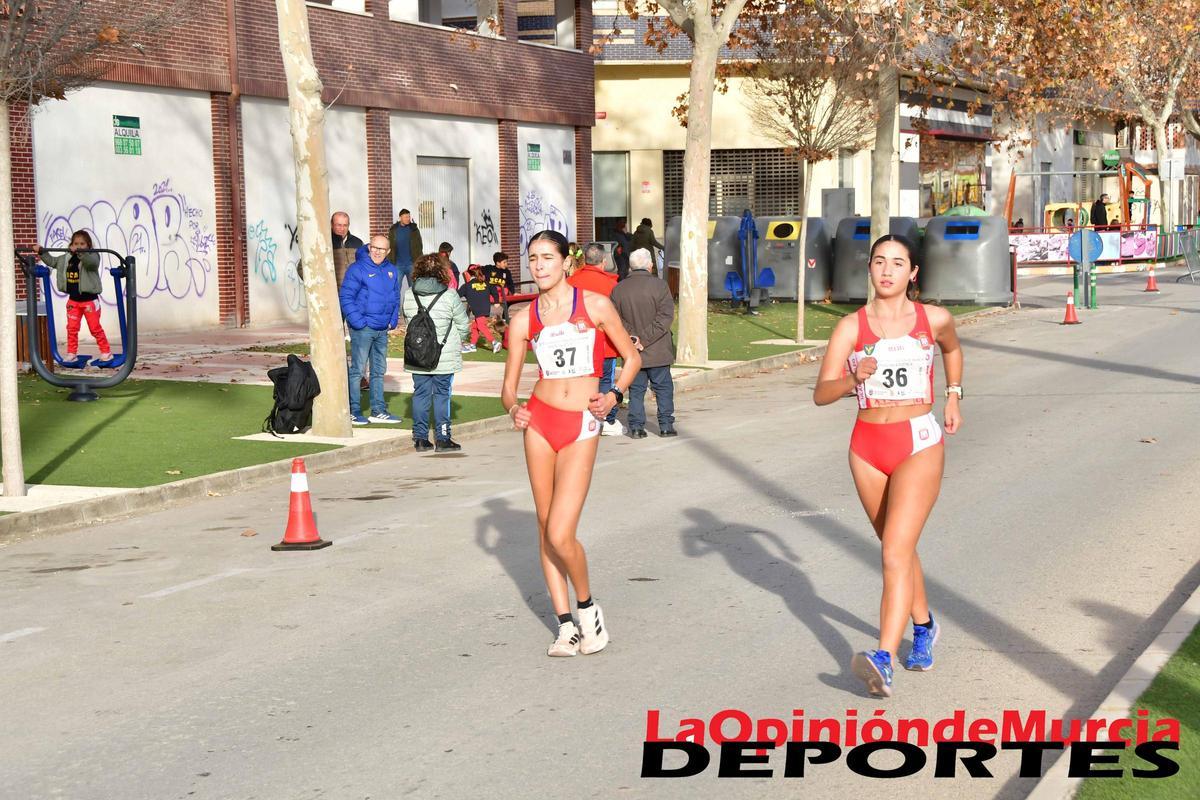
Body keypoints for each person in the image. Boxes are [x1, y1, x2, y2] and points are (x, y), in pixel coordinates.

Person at [812, 235, 963, 698]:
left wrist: (954, 395)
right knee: (898, 546)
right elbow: (821, 393)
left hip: (918, 441)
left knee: (894, 552)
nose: (887, 270)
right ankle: (924, 625)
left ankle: (883, 656)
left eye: (898, 263)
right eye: (880, 261)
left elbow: (952, 351)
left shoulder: (933, 319)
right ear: (871, 269)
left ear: (912, 273)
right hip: (867, 447)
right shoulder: (851, 328)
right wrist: (850, 379)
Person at [500, 230, 641, 658]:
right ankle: (565, 627)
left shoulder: (594, 305)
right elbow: (508, 389)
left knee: (562, 531)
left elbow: (632, 357)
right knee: (545, 528)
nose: (539, 266)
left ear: (566, 262)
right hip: (540, 422)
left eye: (547, 257)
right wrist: (514, 410)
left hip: (581, 420)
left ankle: (587, 608)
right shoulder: (523, 319)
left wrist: (614, 394)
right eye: (533, 258)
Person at [404, 253, 470, 452]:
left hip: (417, 353)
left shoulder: (409, 294)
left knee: (421, 394)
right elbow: (463, 325)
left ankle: (421, 439)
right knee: (442, 395)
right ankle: (442, 438)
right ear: (442, 271)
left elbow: (409, 321)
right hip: (444, 353)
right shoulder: (450, 295)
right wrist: (458, 339)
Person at [611, 248, 676, 438]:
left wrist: (633, 337)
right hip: (657, 350)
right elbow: (665, 317)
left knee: (636, 391)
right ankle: (665, 425)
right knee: (663, 389)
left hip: (632, 351)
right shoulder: (660, 286)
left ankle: (637, 427)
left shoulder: (618, 289)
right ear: (649, 265)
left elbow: (615, 319)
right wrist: (644, 339)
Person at [339, 235, 403, 426]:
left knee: (378, 371)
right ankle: (353, 410)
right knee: (358, 371)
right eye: (373, 247)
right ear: (369, 248)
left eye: (381, 249)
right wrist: (358, 322)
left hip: (382, 328)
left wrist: (392, 320)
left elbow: (395, 296)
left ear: (388, 252)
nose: (376, 251)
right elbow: (346, 297)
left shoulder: (391, 270)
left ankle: (378, 410)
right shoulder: (357, 269)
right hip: (363, 329)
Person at [567, 243, 623, 436]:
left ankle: (581, 418)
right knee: (605, 380)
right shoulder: (612, 285)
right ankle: (606, 419)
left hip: (576, 342)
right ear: (604, 261)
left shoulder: (571, 282)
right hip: (604, 342)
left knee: (579, 381)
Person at [38, 231, 113, 365]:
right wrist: (42, 252)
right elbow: (53, 261)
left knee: (95, 328)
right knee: (71, 329)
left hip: (90, 300)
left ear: (88, 245)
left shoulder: (92, 256)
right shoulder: (66, 258)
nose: (78, 246)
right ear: (71, 245)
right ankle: (72, 353)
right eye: (76, 243)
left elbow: (92, 264)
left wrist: (81, 253)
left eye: (82, 244)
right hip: (73, 300)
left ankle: (106, 352)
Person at [459, 265, 502, 353]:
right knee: (474, 327)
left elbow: (457, 295)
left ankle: (494, 342)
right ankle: (472, 345)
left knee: (481, 326)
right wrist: (496, 301)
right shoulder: (486, 283)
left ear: (469, 274)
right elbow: (494, 290)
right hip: (485, 308)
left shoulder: (467, 286)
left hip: (477, 309)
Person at [388, 208, 423, 318]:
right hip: (397, 264)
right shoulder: (393, 230)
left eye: (409, 216)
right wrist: (390, 261)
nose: (408, 219)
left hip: (411, 264)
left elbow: (419, 245)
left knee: (414, 288)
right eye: (406, 217)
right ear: (400, 217)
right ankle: (396, 312)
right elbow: (390, 246)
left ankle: (414, 311)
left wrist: (419, 261)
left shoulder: (414, 230)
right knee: (395, 289)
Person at [331, 211, 364, 288]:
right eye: (338, 225)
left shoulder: (358, 242)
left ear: (349, 225)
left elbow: (365, 265)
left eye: (345, 225)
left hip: (354, 290)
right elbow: (303, 268)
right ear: (332, 224)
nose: (342, 229)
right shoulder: (324, 243)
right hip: (332, 292)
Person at [485, 251, 517, 319]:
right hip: (490, 294)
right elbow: (475, 269)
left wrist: (513, 293)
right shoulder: (489, 269)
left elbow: (510, 283)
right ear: (498, 263)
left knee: (507, 294)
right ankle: (485, 317)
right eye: (504, 262)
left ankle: (504, 317)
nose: (506, 264)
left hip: (503, 294)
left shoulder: (507, 272)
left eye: (506, 262)